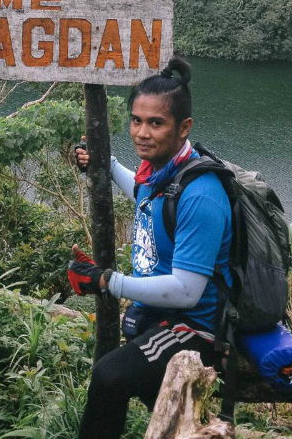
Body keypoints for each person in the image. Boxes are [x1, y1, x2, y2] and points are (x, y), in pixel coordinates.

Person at [66, 56, 232, 439]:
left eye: (156, 123)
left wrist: (108, 280)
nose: (142, 132)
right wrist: (103, 164)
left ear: (183, 127)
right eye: (137, 120)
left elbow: (187, 291)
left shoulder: (201, 193)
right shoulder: (162, 173)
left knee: (109, 375)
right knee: (147, 396)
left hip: (195, 329)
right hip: (157, 317)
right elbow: (142, 195)